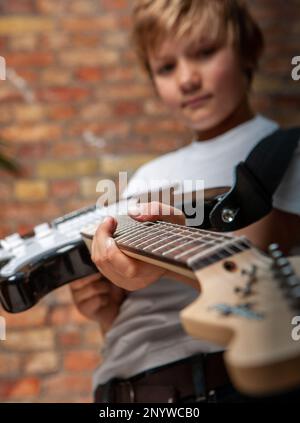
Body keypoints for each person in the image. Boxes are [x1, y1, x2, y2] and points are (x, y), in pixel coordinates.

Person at [70, 0, 300, 403]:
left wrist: (162, 262)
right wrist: (108, 312)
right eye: (166, 67)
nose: (187, 80)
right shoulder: (144, 179)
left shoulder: (286, 152)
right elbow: (137, 326)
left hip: (219, 381)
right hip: (120, 391)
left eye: (205, 52)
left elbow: (257, 260)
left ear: (246, 49)